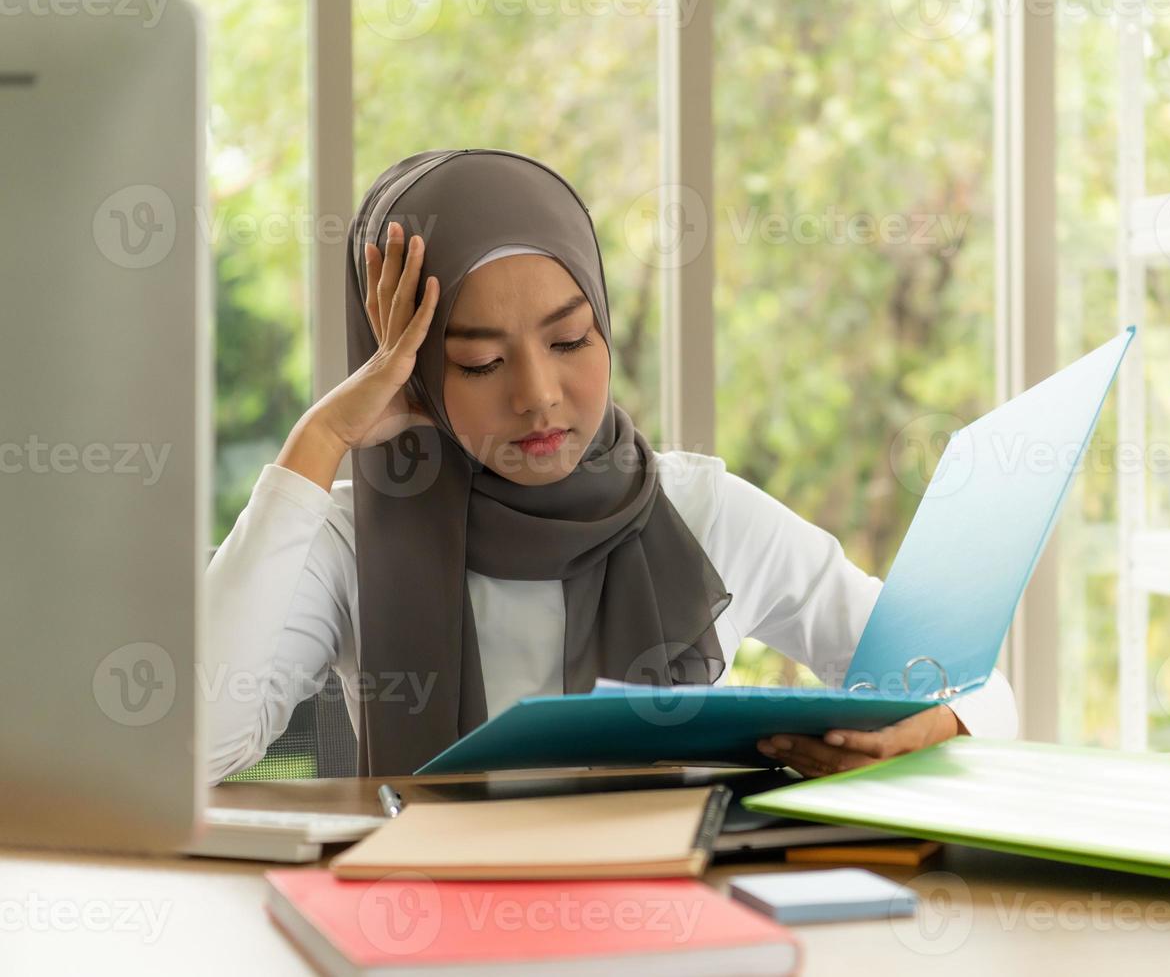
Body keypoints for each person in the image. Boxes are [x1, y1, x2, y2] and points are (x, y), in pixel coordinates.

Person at [203, 149, 1017, 785]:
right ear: (412, 371)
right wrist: (321, 437)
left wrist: (939, 725)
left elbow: (965, 681)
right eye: (482, 361)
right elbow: (197, 742)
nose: (539, 396)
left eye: (569, 341)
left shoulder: (704, 510)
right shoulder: (357, 539)